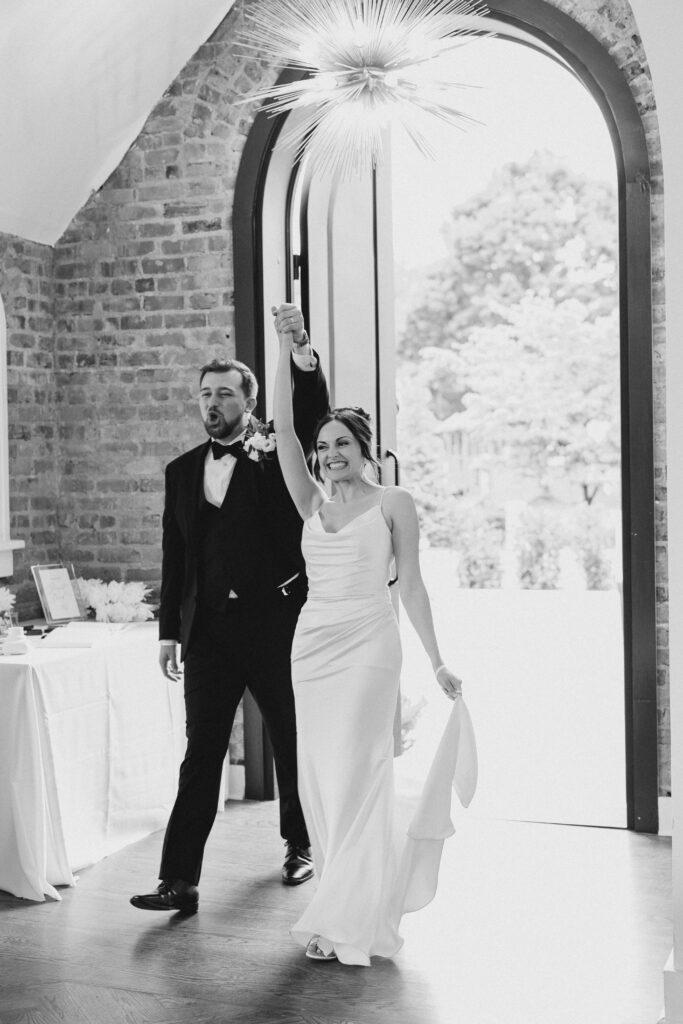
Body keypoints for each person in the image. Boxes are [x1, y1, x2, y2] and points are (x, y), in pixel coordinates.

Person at [272, 317, 476, 965]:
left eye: (342, 444)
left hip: (368, 645)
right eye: (324, 445)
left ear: (364, 449)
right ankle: (339, 893)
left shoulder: (395, 502)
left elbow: (411, 586)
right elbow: (282, 431)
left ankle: (347, 917)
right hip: (312, 648)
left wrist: (437, 660)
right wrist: (287, 354)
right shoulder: (309, 502)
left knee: (360, 770)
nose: (331, 453)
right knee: (322, 776)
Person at [130, 304, 329, 913]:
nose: (211, 403)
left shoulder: (277, 450)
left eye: (224, 393)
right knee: (202, 751)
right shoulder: (180, 471)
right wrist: (169, 632)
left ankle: (302, 845)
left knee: (293, 739)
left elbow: (312, 414)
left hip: (276, 622)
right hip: (209, 631)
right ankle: (179, 879)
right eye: (204, 394)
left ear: (249, 399)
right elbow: (176, 557)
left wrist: (301, 354)